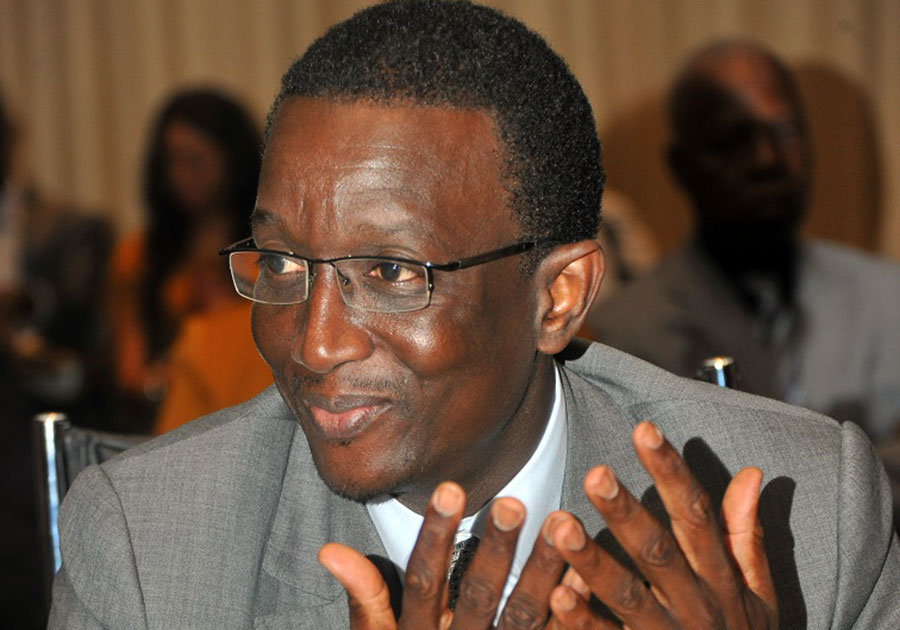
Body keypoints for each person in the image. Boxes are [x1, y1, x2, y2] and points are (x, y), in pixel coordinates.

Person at [48, 3, 899, 628]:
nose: (314, 342)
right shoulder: (145, 545)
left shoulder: (808, 512)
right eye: (281, 262)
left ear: (557, 298)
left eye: (390, 271)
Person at [587, 40, 900, 442]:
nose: (767, 159)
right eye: (734, 138)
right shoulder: (626, 335)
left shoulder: (888, 298)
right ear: (682, 167)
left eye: (784, 131)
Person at [107, 88, 269, 432]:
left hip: (259, 416)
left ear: (233, 160)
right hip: (171, 421)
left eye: (196, 160)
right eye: (172, 161)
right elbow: (130, 372)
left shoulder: (271, 248)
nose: (182, 175)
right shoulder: (139, 255)